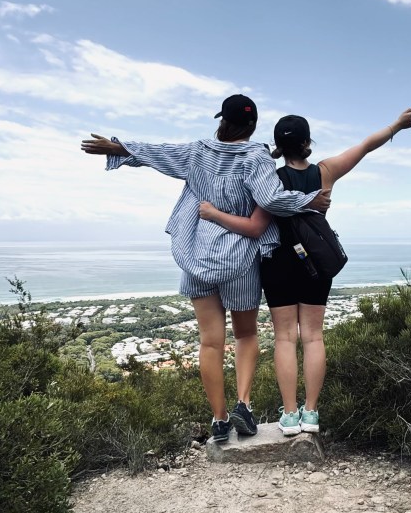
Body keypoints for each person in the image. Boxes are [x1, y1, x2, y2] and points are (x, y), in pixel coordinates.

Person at [81, 94, 331, 443]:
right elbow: (272, 199)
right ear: (253, 126)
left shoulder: (198, 151)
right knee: (245, 335)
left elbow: (159, 153)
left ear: (222, 121)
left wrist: (119, 147)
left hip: (197, 257)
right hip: (239, 260)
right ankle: (244, 403)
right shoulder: (256, 157)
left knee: (210, 342)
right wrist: (308, 200)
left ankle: (219, 418)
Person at [199, 107, 411, 435]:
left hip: (278, 264)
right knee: (314, 337)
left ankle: (289, 415)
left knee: (285, 338)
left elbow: (255, 222)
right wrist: (397, 126)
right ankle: (311, 413)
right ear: (306, 143)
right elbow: (366, 145)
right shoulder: (325, 172)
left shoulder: (268, 177)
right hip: (316, 262)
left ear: (277, 145)